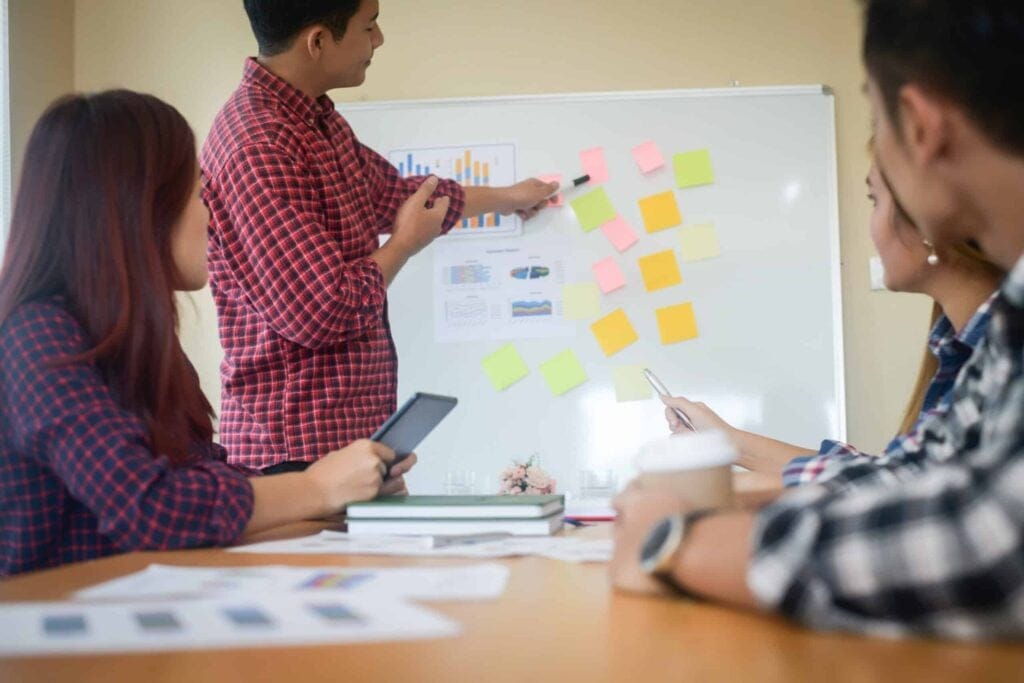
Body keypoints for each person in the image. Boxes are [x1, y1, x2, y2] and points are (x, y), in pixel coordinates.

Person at [611, 0, 1024, 639]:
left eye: (876, 113)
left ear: (918, 127)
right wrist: (724, 463)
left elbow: (992, 539)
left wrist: (677, 543)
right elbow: (917, 478)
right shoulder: (1001, 330)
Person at [0, 91, 415, 577]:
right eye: (199, 193)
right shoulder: (36, 336)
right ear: (140, 207)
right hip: (63, 632)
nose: (212, 215)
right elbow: (151, 508)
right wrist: (318, 489)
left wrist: (338, 487)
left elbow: (202, 482)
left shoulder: (137, 338)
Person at [202, 0, 558, 474]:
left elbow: (401, 196)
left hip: (348, 443)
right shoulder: (260, 145)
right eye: (369, 26)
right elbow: (321, 310)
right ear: (318, 41)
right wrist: (403, 245)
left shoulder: (316, 123)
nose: (379, 40)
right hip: (295, 455)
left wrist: (509, 197)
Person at [660, 162, 1002, 487]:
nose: (871, 225)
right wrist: (727, 442)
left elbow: (898, 490)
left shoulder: (1002, 366)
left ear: (927, 219)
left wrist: (744, 491)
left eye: (875, 200)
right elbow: (891, 476)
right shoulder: (962, 354)